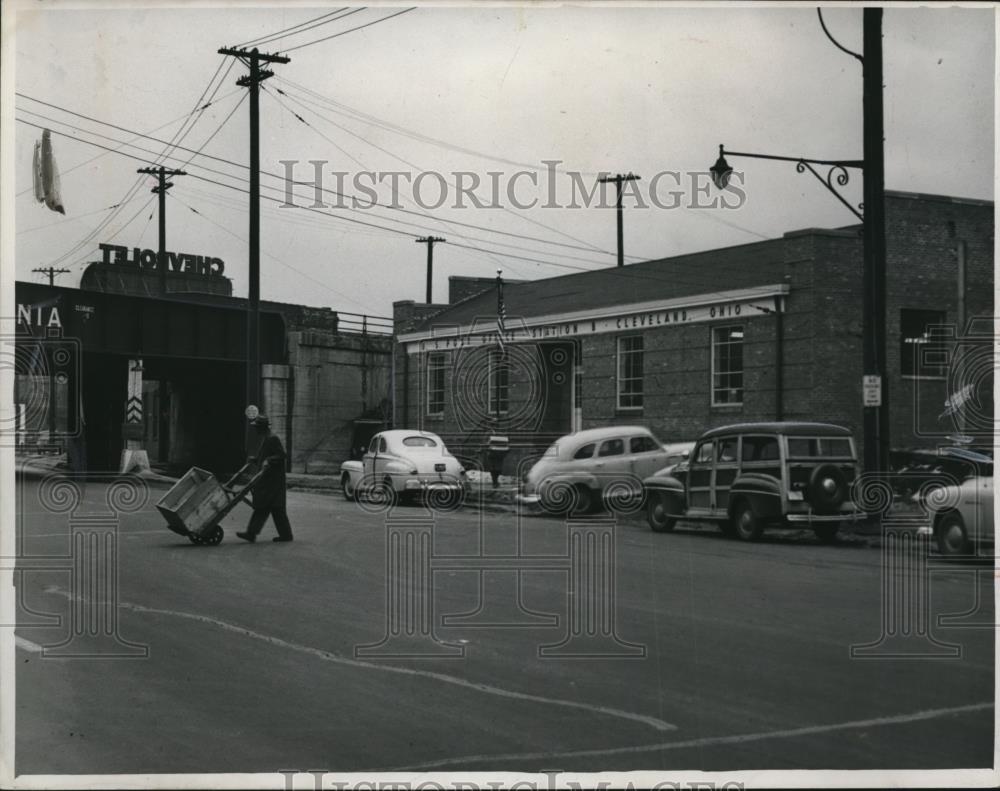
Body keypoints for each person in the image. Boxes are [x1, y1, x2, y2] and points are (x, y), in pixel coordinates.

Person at [236, 414, 294, 543]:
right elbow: (266, 457)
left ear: (261, 427)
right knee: (272, 507)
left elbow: (281, 455)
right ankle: (284, 535)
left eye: (256, 427)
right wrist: (256, 459)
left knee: (266, 506)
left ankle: (253, 533)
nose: (255, 429)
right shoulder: (266, 438)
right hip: (269, 480)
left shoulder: (272, 438)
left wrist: (269, 460)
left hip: (273, 481)